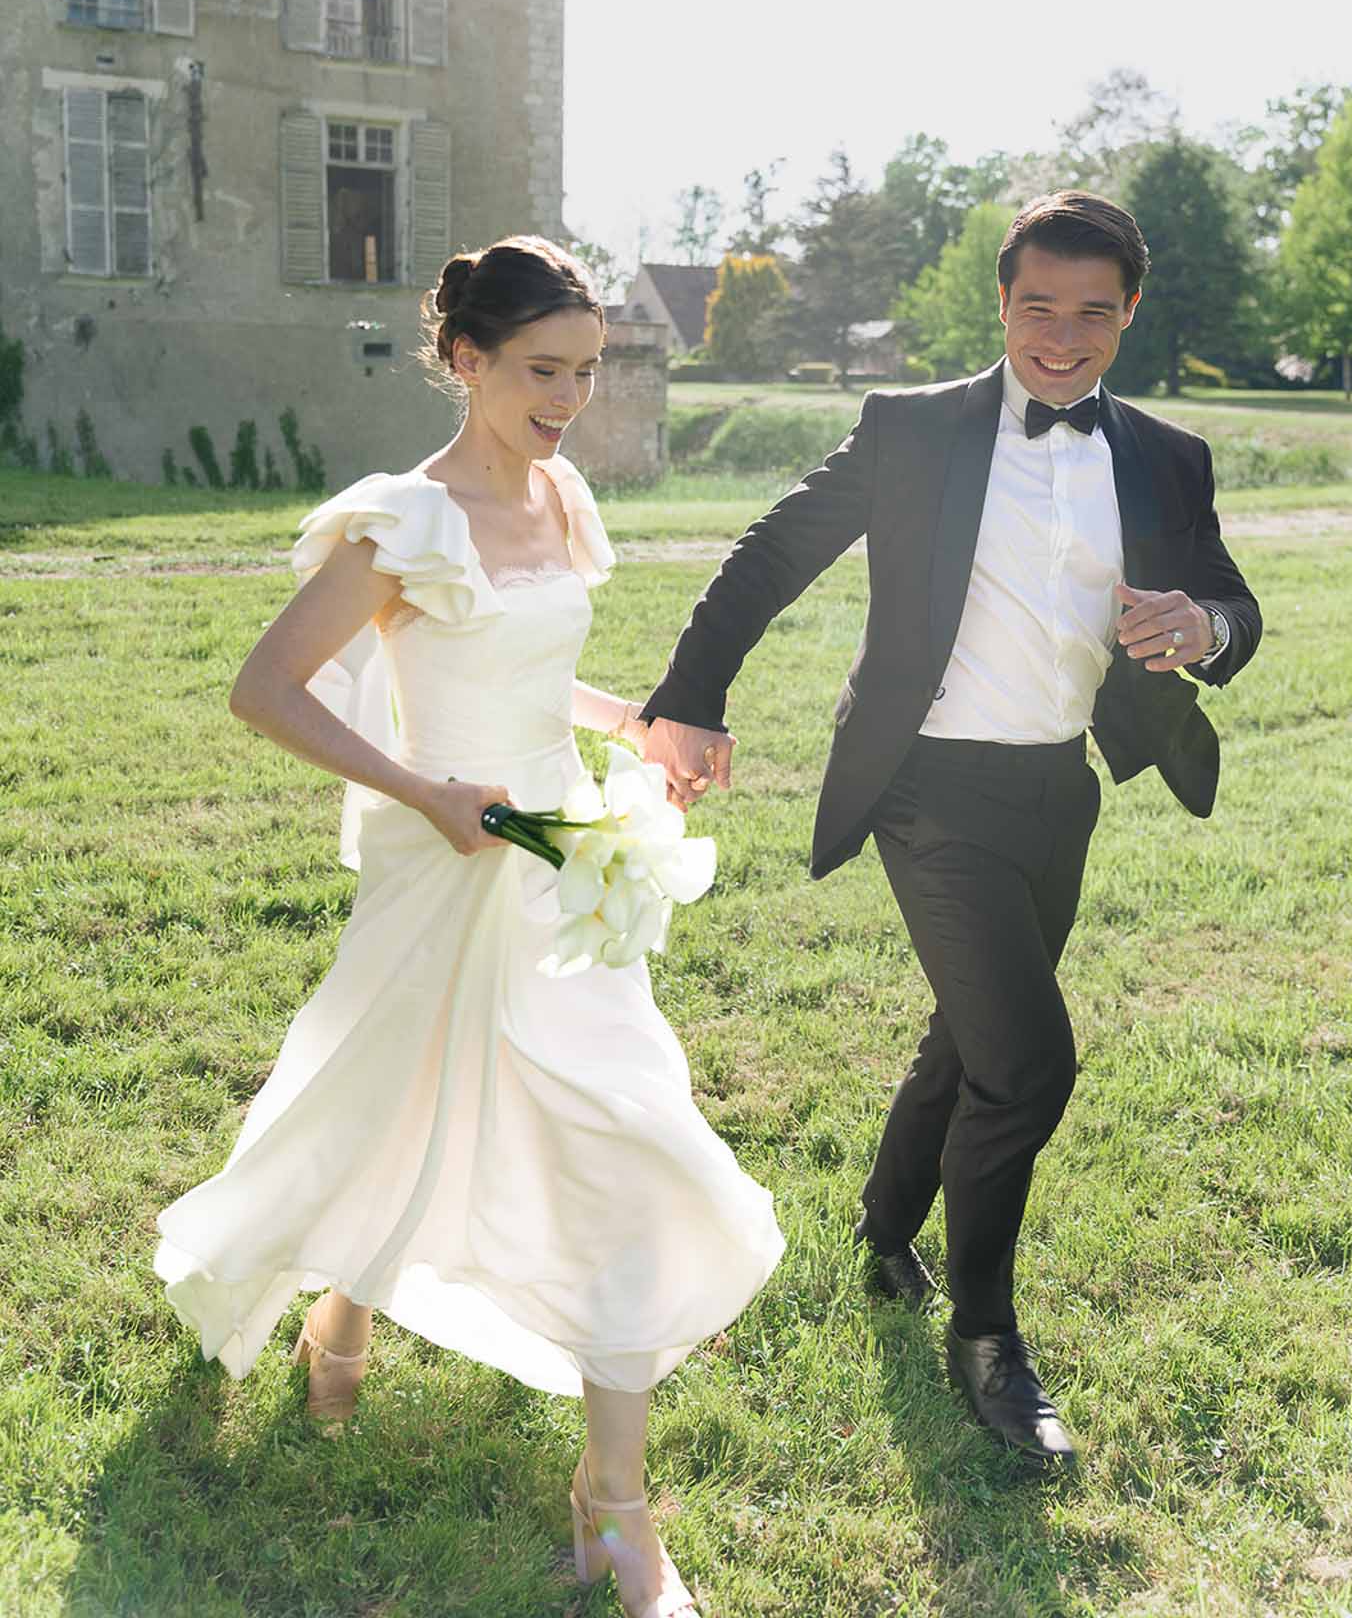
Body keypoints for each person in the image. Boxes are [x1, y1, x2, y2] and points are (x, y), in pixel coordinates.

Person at [154, 237, 783, 1618]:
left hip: (562, 864)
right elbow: (267, 690)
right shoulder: (402, 523)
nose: (568, 400)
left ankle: (610, 1500)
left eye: (586, 372)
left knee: (624, 1133)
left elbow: (526, 671)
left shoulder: (558, 494)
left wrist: (637, 722)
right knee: (394, 1097)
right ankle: (339, 1307)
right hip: (442, 861)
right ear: (465, 361)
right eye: (541, 372)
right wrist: (420, 790)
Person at [641, 190, 1261, 1464]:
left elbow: (1230, 603)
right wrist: (691, 699)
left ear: (1128, 314)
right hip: (924, 788)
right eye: (1038, 304)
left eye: (1094, 310)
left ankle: (880, 1228)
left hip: (1059, 790)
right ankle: (984, 1335)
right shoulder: (911, 430)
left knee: (966, 1028)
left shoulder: (1161, 454)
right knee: (1027, 1060)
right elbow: (772, 552)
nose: (1062, 334)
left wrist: (1202, 628)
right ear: (1002, 301)